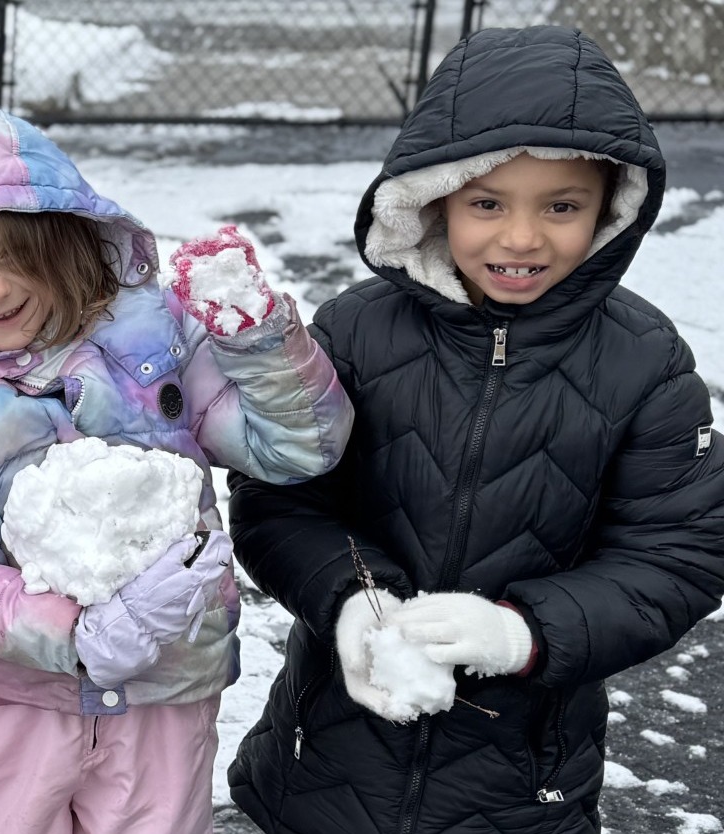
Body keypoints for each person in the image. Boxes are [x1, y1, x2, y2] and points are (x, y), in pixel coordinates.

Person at [226, 25, 724, 834]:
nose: (521, 238)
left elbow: (678, 555)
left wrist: (521, 632)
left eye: (562, 206)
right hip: (326, 767)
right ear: (434, 200)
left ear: (610, 209)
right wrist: (352, 599)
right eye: (487, 204)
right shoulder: (354, 334)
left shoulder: (645, 363)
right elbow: (278, 496)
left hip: (523, 781)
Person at [0, 104, 353, 833]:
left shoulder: (153, 332)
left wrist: (259, 345)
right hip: (15, 699)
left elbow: (296, 449)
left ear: (64, 236)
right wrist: (80, 635)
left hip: (168, 682)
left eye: (14, 253)